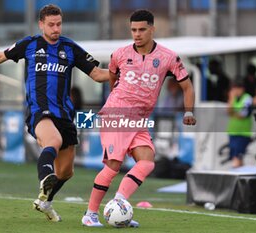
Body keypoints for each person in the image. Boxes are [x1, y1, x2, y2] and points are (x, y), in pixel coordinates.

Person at [0, 4, 109, 222]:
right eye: (51, 25)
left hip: (64, 114)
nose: (56, 29)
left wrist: (125, 71)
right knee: (52, 141)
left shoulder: (70, 48)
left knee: (66, 172)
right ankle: (45, 177)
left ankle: (45, 201)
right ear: (41, 24)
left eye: (59, 24)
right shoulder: (30, 44)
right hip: (39, 110)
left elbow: (97, 74)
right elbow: (0, 56)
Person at [81, 9, 196, 227]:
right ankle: (90, 214)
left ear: (152, 29)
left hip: (139, 119)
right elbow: (113, 78)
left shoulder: (168, 57)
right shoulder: (120, 54)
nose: (137, 34)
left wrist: (189, 111)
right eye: (133, 29)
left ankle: (119, 203)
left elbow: (187, 86)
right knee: (113, 165)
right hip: (117, 113)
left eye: (142, 29)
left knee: (147, 161)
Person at [226, 79, 253, 168]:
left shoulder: (247, 98)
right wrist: (231, 99)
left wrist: (233, 113)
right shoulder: (233, 99)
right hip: (232, 132)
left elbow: (243, 115)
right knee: (237, 158)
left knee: (237, 158)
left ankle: (234, 178)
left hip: (243, 133)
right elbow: (228, 112)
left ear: (242, 89)